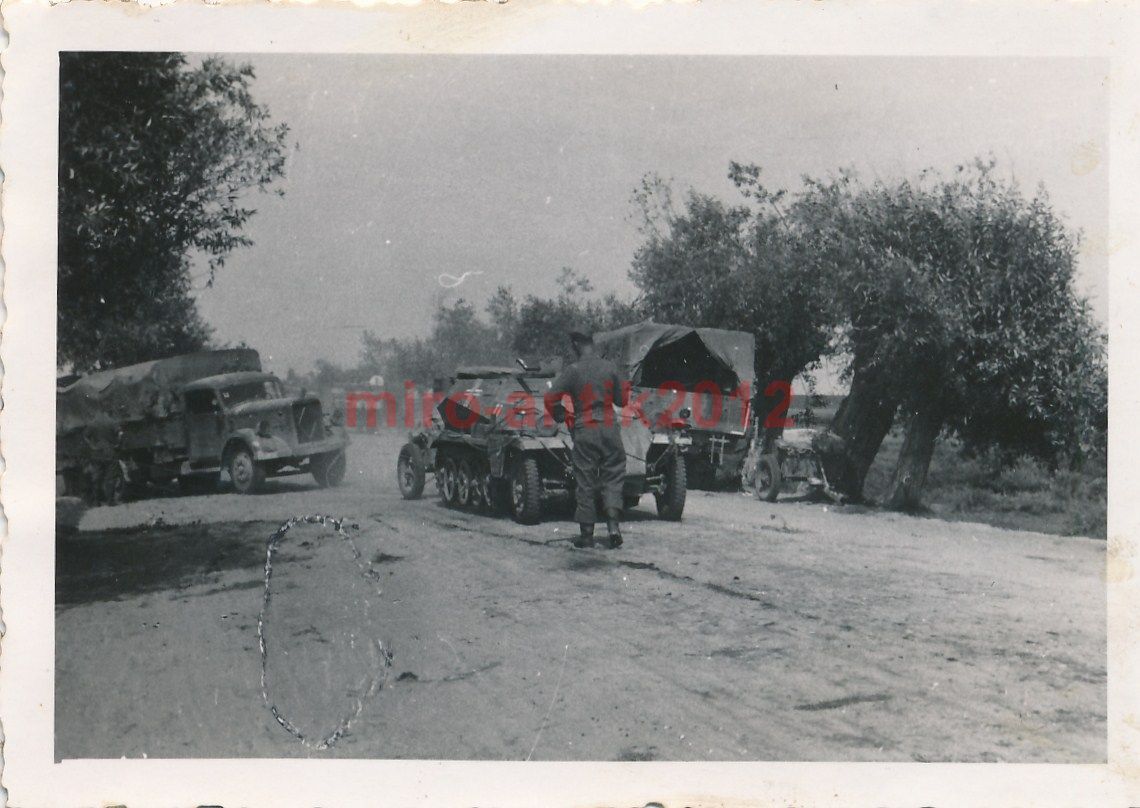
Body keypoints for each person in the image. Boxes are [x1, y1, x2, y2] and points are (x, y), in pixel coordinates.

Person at [547, 330, 629, 549]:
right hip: (610, 428)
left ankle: (586, 536)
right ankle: (613, 528)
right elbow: (623, 400)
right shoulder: (610, 367)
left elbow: (550, 397)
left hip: (585, 429)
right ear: (592, 343)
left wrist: (560, 414)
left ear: (575, 345)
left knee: (585, 480)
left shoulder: (572, 370)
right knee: (614, 475)